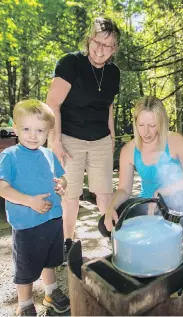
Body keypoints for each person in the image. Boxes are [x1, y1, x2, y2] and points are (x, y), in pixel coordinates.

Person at [45, 17, 121, 258]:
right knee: (70, 195)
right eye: (97, 42)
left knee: (105, 193)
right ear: (89, 40)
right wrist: (55, 141)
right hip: (69, 137)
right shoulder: (70, 64)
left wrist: (112, 135)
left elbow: (108, 106)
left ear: (114, 49)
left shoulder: (113, 73)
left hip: (100, 139)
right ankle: (67, 242)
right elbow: (52, 105)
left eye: (108, 45)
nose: (101, 50)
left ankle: (114, 239)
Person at [0, 100, 70, 316]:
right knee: (26, 269)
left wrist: (61, 186)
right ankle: (25, 304)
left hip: (53, 219)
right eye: (26, 129)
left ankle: (50, 292)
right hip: (27, 224)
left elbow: (62, 178)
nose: (33, 135)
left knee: (49, 260)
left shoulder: (48, 154)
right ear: (16, 128)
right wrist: (30, 201)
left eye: (40, 130)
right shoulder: (10, 155)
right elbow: (2, 189)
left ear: (48, 132)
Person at [99, 96, 183, 237]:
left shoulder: (175, 140)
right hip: (145, 202)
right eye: (141, 125)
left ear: (161, 123)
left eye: (152, 125)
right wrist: (111, 206)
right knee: (105, 224)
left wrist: (161, 192)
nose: (146, 132)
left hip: (176, 200)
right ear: (135, 122)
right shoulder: (129, 150)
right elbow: (124, 189)